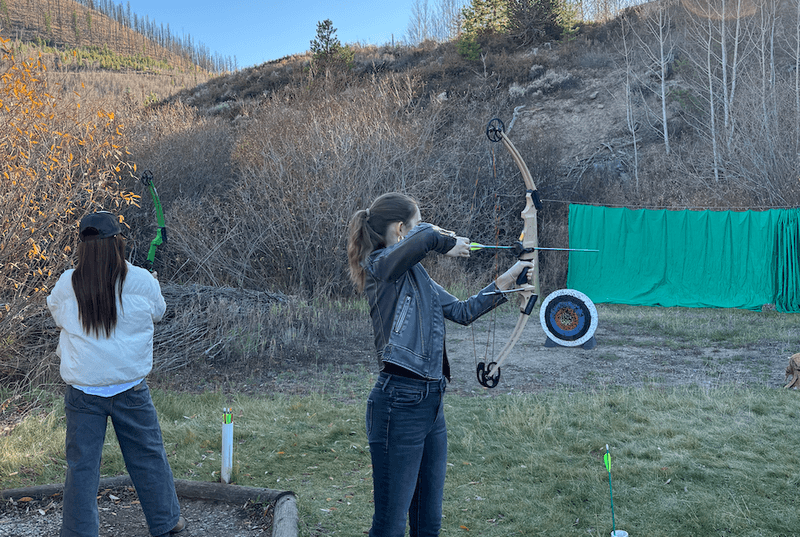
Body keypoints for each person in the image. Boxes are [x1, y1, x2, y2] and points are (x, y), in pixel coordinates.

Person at [346, 192, 533, 537]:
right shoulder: (379, 268)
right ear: (401, 229)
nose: (421, 231)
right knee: (389, 525)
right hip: (398, 405)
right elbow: (429, 237)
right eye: (415, 224)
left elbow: (462, 312)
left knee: (427, 522)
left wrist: (510, 279)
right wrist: (446, 241)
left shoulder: (417, 275)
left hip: (431, 403)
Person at [46, 211, 185, 537]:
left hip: (84, 391)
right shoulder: (141, 281)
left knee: (81, 469)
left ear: (83, 247)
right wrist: (151, 282)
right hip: (130, 388)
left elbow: (56, 312)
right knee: (148, 456)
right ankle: (166, 522)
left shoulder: (68, 283)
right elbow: (159, 311)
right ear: (117, 242)